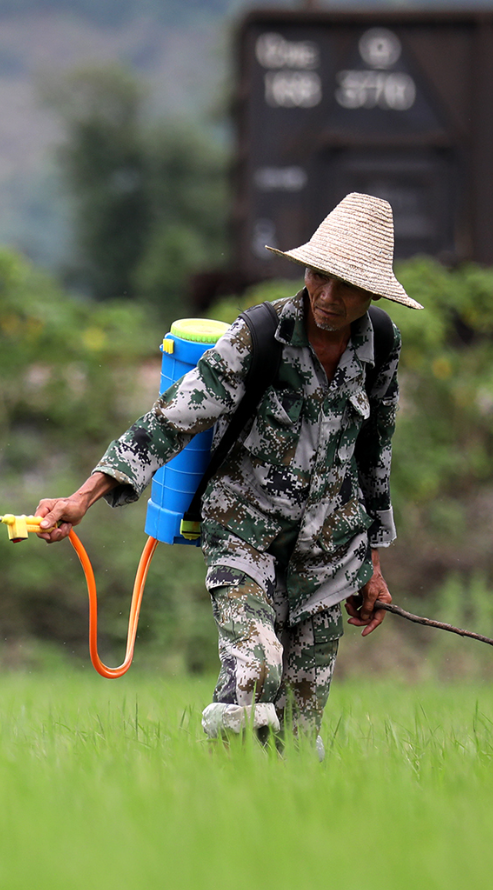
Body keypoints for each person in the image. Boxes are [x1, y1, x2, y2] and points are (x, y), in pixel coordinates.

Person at [32, 192, 422, 750]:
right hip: (245, 537)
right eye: (318, 276)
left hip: (328, 554)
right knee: (257, 669)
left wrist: (371, 563)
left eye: (348, 286)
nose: (328, 297)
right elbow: (170, 420)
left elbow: (374, 454)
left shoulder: (381, 345)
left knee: (301, 723)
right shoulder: (259, 337)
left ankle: (268, 815)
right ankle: (225, 788)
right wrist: (81, 499)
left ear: (373, 294)